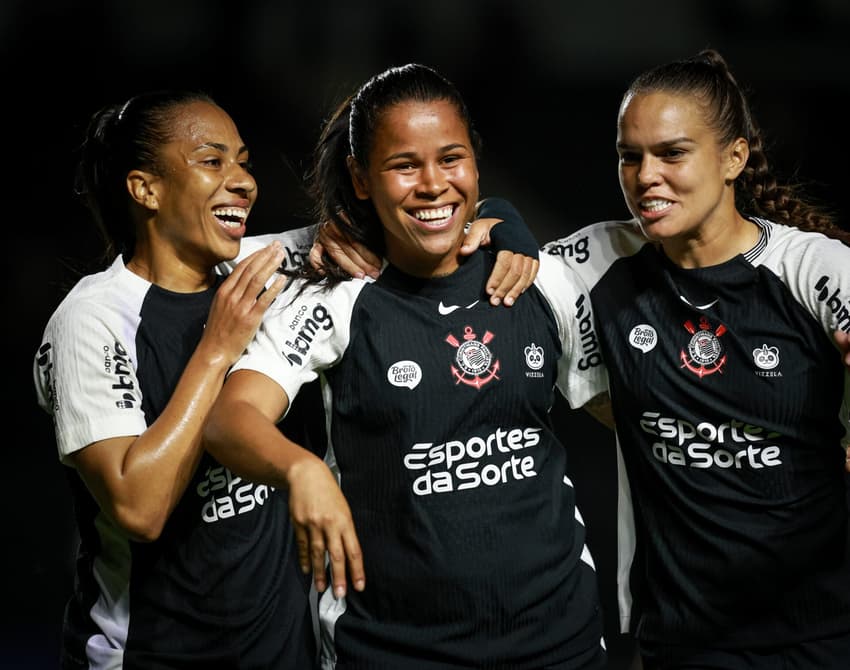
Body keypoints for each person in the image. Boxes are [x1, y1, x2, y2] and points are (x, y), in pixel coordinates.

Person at [33, 89, 541, 669]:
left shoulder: (273, 266)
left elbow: (427, 209)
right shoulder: (93, 318)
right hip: (151, 654)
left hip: (288, 655)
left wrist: (507, 224)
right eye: (212, 161)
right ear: (145, 189)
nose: (243, 182)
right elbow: (138, 509)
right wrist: (216, 351)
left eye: (244, 162)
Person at [203, 63, 611, 669]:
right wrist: (300, 471)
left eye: (451, 159)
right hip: (391, 648)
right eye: (404, 166)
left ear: (475, 162)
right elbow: (229, 420)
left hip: (560, 645)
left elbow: (628, 414)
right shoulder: (336, 299)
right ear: (360, 179)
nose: (433, 184)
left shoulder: (541, 279)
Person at [539, 49, 850, 669]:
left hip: (822, 634)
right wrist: (499, 224)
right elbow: (489, 255)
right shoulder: (599, 261)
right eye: (630, 156)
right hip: (679, 640)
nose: (645, 176)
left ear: (734, 158)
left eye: (672, 153)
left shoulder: (810, 266)